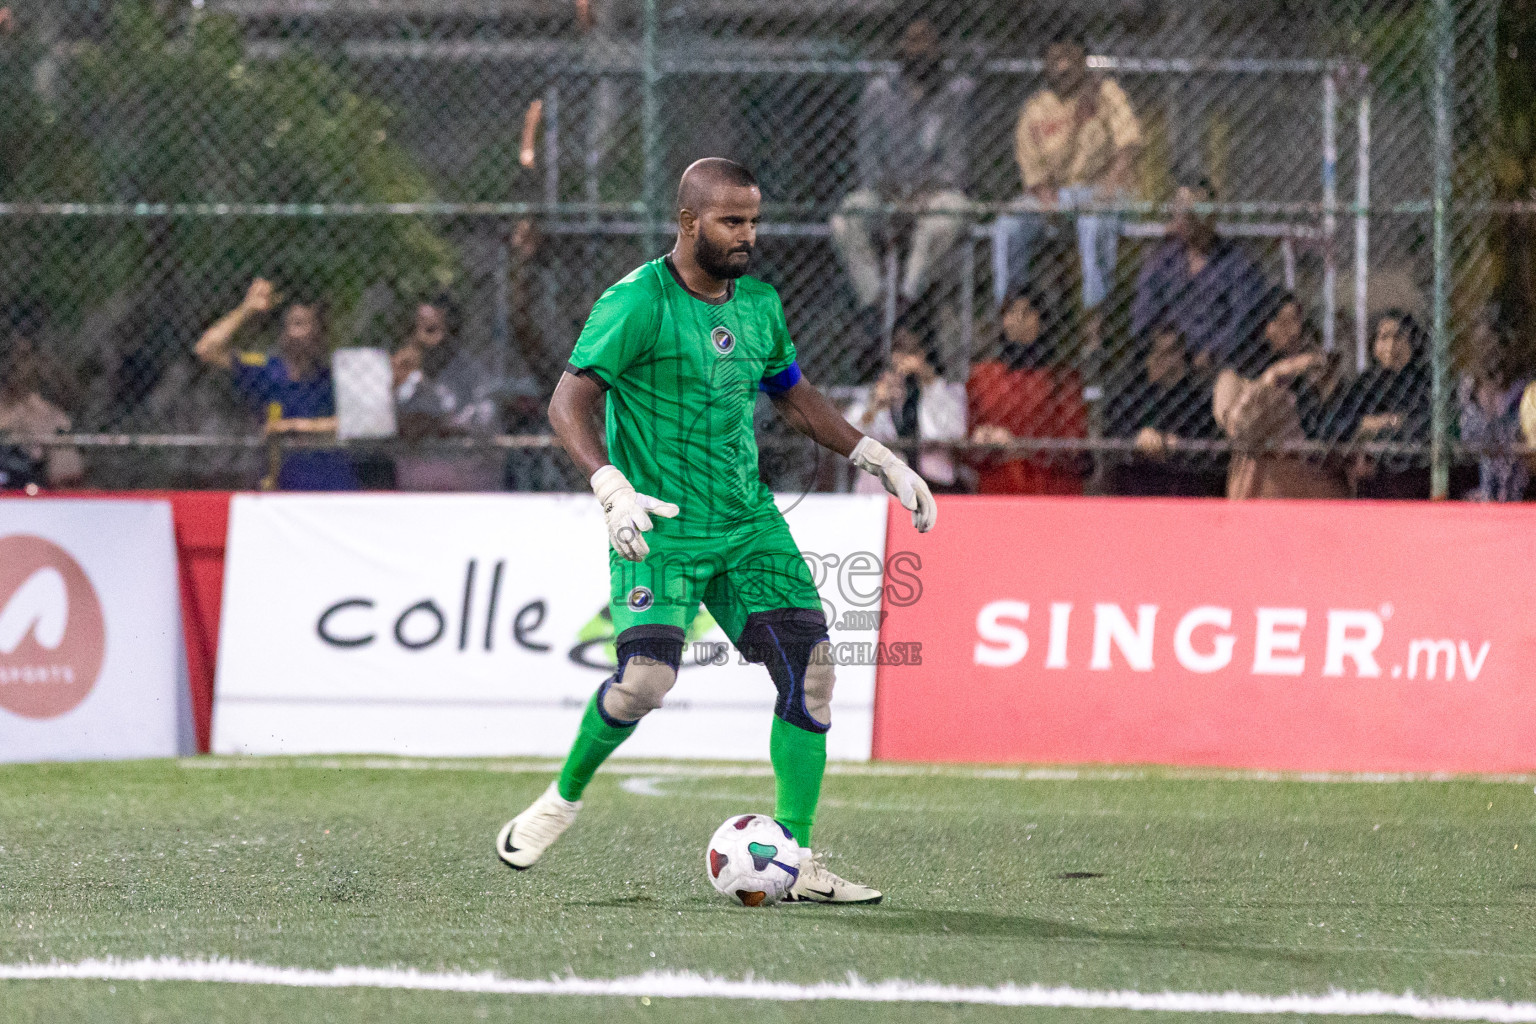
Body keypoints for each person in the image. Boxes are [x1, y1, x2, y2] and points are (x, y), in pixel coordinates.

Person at [497, 158, 938, 903]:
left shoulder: (759, 304)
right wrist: (610, 485)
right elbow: (568, 402)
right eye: (732, 222)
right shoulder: (637, 301)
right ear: (688, 222)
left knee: (815, 671)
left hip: (747, 523)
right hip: (662, 528)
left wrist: (876, 456)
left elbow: (794, 398)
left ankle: (793, 861)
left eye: (755, 221)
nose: (747, 236)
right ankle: (561, 800)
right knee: (644, 683)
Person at [829, 18, 973, 329]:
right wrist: (889, 193)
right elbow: (867, 157)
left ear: (939, 47)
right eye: (912, 41)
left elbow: (956, 163)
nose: (919, 49)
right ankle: (877, 301)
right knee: (846, 218)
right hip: (886, 194)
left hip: (933, 195)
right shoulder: (879, 93)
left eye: (927, 41)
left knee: (953, 212)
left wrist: (925, 193)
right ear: (900, 46)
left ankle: (907, 299)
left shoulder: (954, 94)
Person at [992, 38, 1141, 312]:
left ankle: (1094, 324)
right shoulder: (1035, 108)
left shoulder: (1105, 93)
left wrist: (1108, 187)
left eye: (1070, 56)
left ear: (1083, 59)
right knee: (1007, 225)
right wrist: (1049, 201)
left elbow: (1128, 146)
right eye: (1055, 58)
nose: (1063, 66)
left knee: (1092, 223)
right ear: (1046, 65)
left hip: (1101, 190)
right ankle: (1011, 313)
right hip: (1057, 196)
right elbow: (1034, 176)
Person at [194, 278, 359, 491]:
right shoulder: (265, 369)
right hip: (282, 487)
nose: (295, 333)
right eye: (291, 324)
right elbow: (206, 349)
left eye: (304, 325)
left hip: (333, 487)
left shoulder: (330, 377)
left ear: (319, 332)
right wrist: (247, 309)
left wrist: (294, 427)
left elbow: (354, 423)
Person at [1131, 178, 1269, 368]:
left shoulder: (1237, 262)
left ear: (1211, 215)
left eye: (1193, 209)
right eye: (1179, 207)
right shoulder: (1162, 260)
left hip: (1219, 361)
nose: (1183, 215)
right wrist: (1160, 342)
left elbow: (1244, 319)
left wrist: (1212, 351)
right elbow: (1144, 309)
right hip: (1170, 355)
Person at [965, 286, 1087, 494]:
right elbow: (968, 439)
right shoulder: (983, 375)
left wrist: (1019, 446)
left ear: (1041, 321)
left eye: (1027, 313)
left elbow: (1072, 446)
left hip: (1047, 486)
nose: (1018, 320)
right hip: (997, 485)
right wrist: (982, 438)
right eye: (1011, 313)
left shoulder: (1061, 378)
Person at [391, 295, 504, 492]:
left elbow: (487, 419)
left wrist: (442, 423)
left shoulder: (472, 374)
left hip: (464, 481)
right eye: (426, 330)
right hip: (415, 486)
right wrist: (394, 385)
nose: (435, 339)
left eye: (442, 330)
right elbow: (380, 420)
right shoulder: (403, 371)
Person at [842, 324, 967, 492]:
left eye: (913, 352)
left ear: (925, 354)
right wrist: (874, 407)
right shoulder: (878, 391)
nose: (905, 359)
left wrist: (927, 381)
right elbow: (847, 437)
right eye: (899, 350)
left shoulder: (947, 390)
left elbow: (952, 431)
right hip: (883, 487)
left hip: (932, 484)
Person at [1106, 324, 1225, 496]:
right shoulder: (1132, 395)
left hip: (1182, 488)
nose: (1170, 361)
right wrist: (1138, 438)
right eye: (1161, 354)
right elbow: (1113, 433)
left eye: (1174, 352)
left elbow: (1211, 450)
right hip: (1139, 488)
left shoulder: (1198, 399)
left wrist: (1180, 445)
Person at [0, 321, 84, 489]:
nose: (17, 365)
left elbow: (67, 474)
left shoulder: (46, 412)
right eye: (13, 356)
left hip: (28, 485)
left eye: (24, 357)